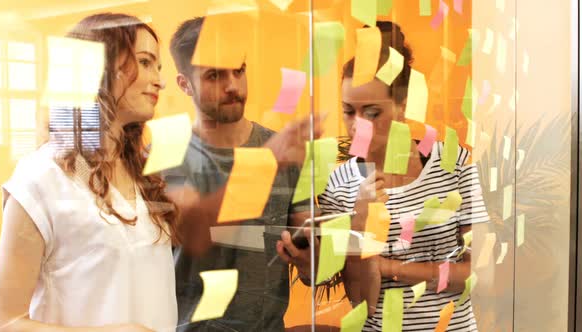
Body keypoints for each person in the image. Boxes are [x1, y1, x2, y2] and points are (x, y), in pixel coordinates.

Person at [0, 13, 177, 332]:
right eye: (145, 62)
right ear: (101, 69)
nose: (159, 80)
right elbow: (3, 321)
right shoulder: (41, 177)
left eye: (157, 67)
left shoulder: (142, 175)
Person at [318, 21, 490, 331]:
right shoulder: (341, 184)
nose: (358, 125)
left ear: (403, 105)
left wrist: (389, 267)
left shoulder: (453, 164)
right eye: (348, 111)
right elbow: (362, 300)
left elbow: (476, 273)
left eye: (372, 112)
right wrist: (359, 220)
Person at [165, 16, 321, 332]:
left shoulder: (284, 150)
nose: (233, 86)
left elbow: (313, 253)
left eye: (239, 71)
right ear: (184, 84)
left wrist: (310, 260)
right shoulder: (166, 155)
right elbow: (195, 232)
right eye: (214, 75)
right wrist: (267, 163)